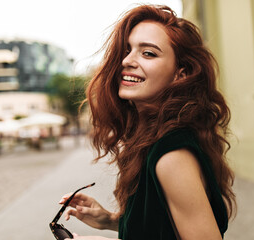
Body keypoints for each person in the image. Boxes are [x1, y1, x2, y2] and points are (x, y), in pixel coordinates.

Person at [59, 4, 236, 240]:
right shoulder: (154, 138)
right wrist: (111, 221)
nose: (126, 61)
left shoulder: (171, 154)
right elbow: (162, 228)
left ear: (180, 74)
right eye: (128, 50)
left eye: (148, 53)